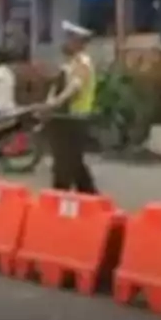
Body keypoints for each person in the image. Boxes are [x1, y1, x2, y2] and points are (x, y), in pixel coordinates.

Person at [37, 21, 99, 194]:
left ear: (78, 42)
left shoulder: (82, 63)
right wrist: (50, 102)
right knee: (73, 163)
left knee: (65, 164)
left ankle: (60, 199)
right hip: (66, 118)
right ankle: (91, 199)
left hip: (75, 119)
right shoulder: (71, 63)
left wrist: (54, 103)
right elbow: (58, 85)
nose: (65, 42)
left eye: (69, 39)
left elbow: (74, 87)